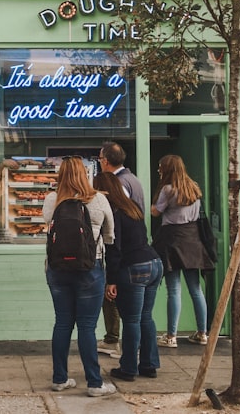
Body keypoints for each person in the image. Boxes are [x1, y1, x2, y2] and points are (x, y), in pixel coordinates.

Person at [42, 156, 117, 397]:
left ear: (61, 175)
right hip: (90, 268)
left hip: (57, 269)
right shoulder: (99, 199)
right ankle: (94, 384)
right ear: (85, 174)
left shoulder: (52, 200)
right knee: (87, 326)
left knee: (62, 322)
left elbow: (47, 225)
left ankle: (59, 379)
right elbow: (110, 236)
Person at [98, 171, 163, 382]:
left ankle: (128, 368)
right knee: (146, 317)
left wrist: (111, 280)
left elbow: (114, 249)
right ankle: (149, 364)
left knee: (132, 320)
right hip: (154, 263)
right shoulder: (132, 207)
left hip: (134, 267)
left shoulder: (114, 212)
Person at [150, 154, 214, 348]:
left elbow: (155, 212)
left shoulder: (168, 190)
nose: (159, 170)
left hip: (172, 241)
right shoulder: (193, 187)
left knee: (174, 290)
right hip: (192, 241)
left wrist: (153, 205)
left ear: (168, 169)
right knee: (196, 289)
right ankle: (203, 333)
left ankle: (171, 336)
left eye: (161, 167)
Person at [96, 141, 147, 357]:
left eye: (100, 159)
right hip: (140, 251)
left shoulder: (118, 184)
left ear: (105, 161)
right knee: (142, 316)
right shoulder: (133, 179)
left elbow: (115, 231)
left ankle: (119, 346)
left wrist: (112, 277)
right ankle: (144, 357)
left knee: (124, 307)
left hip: (125, 255)